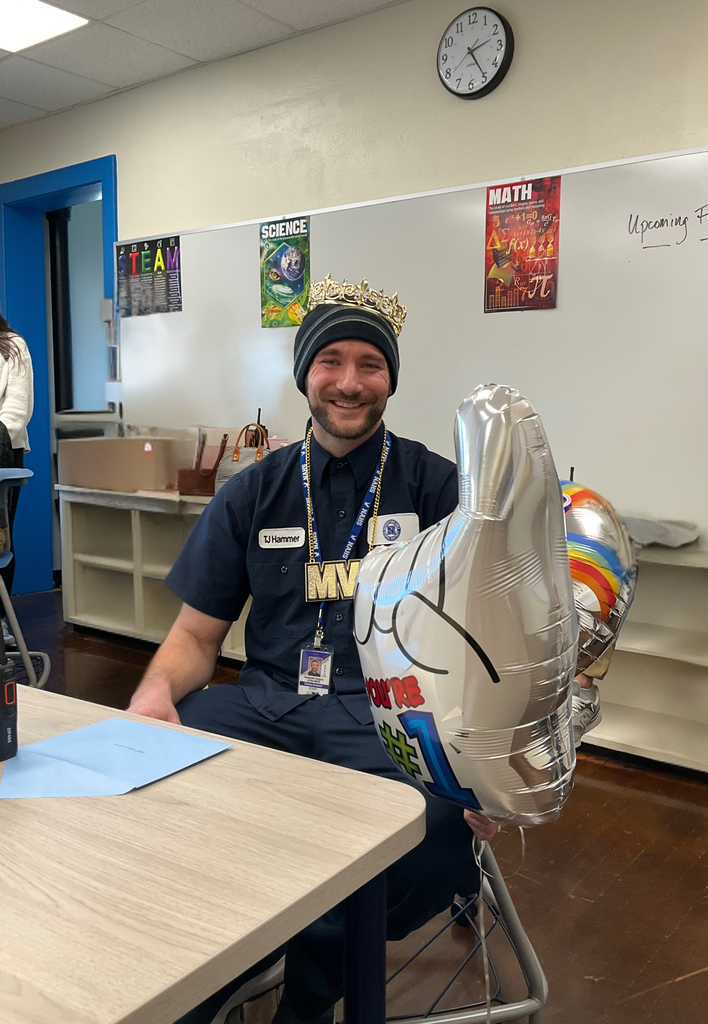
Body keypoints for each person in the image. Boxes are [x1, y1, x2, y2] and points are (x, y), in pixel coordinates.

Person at [128, 276, 496, 1024]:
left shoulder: (438, 488)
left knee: (434, 830)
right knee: (148, 784)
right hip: (264, 706)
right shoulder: (252, 490)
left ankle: (311, 986)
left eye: (371, 363)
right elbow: (197, 637)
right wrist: (154, 694)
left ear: (392, 377)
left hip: (389, 720)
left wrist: (483, 763)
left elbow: (487, 641)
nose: (350, 383)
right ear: (304, 374)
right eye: (331, 361)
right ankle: (186, 983)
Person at [0, 310, 34, 646]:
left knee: (0, 541)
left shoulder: (12, 346)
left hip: (3, 454)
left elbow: (15, 413)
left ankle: (0, 620)